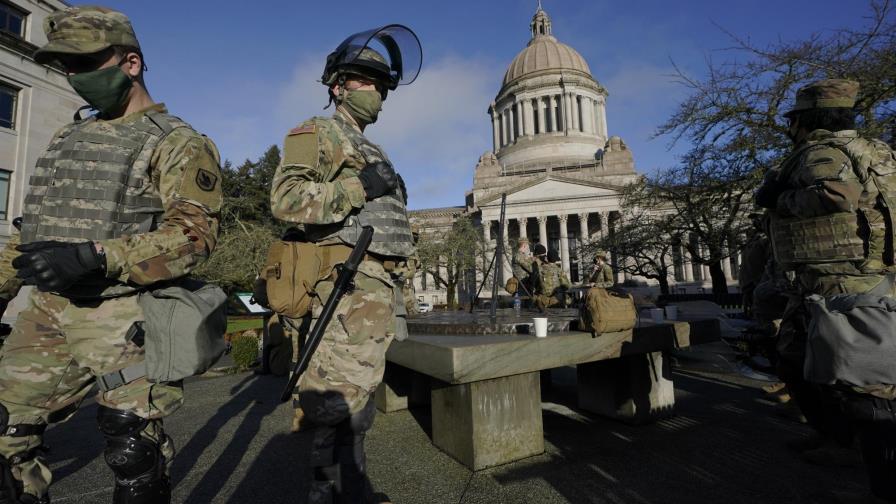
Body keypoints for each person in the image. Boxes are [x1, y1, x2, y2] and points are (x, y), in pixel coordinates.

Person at [0, 6, 223, 503]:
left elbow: (194, 236)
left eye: (86, 63)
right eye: (67, 66)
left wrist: (96, 256)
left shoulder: (178, 142)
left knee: (132, 451)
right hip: (46, 314)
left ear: (131, 63)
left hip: (122, 315)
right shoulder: (67, 137)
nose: (76, 77)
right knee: (7, 436)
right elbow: (29, 233)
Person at [269, 25, 421, 504]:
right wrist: (360, 188)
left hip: (377, 290)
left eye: (382, 86)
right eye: (367, 81)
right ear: (339, 86)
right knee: (335, 400)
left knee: (359, 400)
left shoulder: (373, 149)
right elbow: (286, 200)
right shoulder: (318, 132)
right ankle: (326, 490)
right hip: (345, 286)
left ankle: (352, 486)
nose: (377, 92)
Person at [756, 78, 896, 503]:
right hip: (863, 276)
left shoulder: (820, 152)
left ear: (803, 121)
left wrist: (779, 200)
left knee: (864, 387)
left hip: (841, 281)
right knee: (796, 358)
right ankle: (838, 439)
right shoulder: (880, 152)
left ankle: (875, 473)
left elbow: (836, 196)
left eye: (793, 120)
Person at [533, 245, 570, 310]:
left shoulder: (539, 269)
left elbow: (535, 284)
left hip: (543, 300)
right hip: (556, 300)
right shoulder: (558, 270)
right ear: (556, 260)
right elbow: (567, 286)